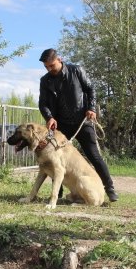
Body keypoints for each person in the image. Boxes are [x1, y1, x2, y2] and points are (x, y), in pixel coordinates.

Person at [38, 48, 118, 202]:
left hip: (82, 121)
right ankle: (58, 193)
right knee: (55, 158)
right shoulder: (45, 81)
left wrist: (91, 108)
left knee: (94, 155)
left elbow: (90, 89)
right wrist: (49, 117)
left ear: (59, 60)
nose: (49, 69)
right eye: (46, 67)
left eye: (52, 65)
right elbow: (43, 104)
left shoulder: (76, 70)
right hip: (59, 126)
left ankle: (110, 188)